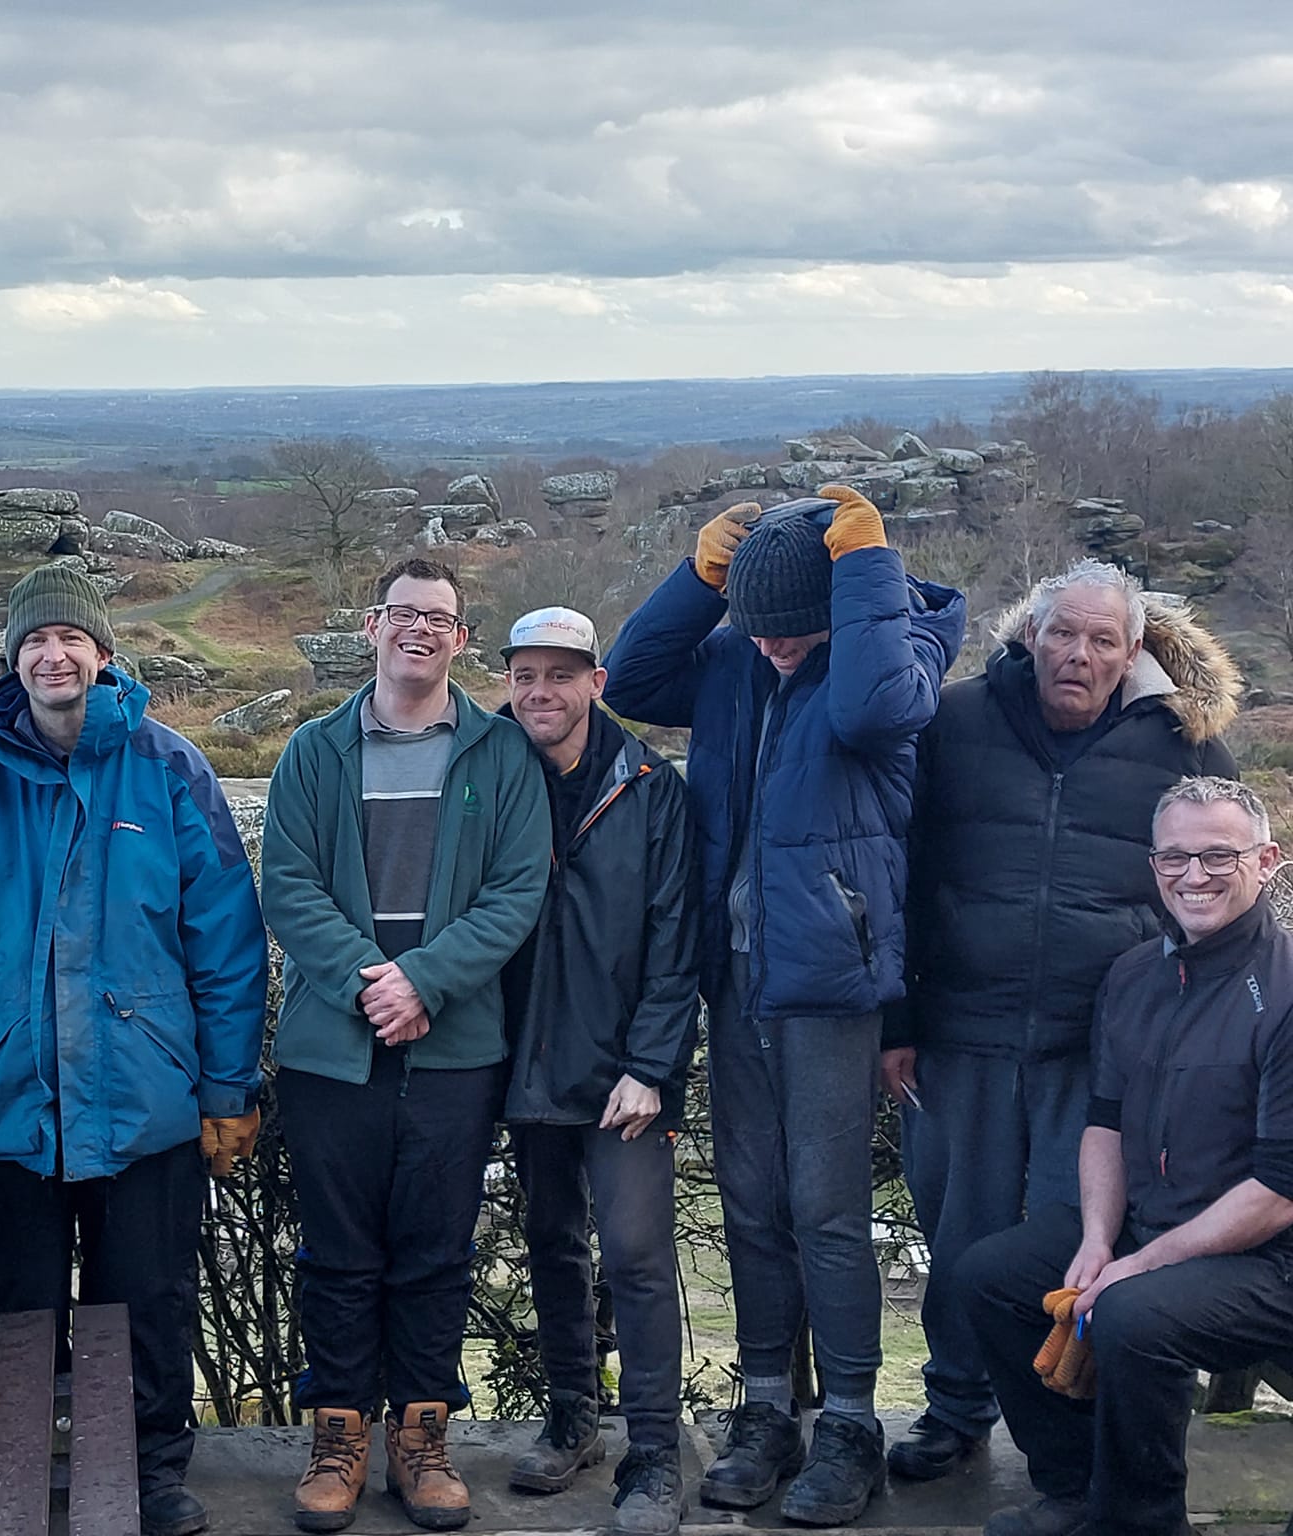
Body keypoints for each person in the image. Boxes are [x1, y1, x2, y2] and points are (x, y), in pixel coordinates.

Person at [602, 490, 965, 1527]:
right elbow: (628, 678)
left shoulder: (891, 659)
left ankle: (849, 1423)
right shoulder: (730, 661)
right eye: (751, 628)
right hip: (736, 978)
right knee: (751, 1204)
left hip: (832, 988)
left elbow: (864, 712)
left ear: (839, 607)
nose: (765, 649)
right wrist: (700, 574)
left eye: (786, 628)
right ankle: (767, 1410)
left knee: (825, 1212)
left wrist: (863, 571)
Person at [0, 562, 268, 1536]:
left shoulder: (168, 768)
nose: (52, 656)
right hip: (6, 1104)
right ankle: (23, 1461)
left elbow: (224, 940)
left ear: (104, 655)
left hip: (144, 1102)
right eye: (33, 642)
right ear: (13, 662)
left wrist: (227, 1086)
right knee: (16, 1311)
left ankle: (152, 1471)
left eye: (70, 640)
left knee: (147, 1300)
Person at [887, 560, 1239, 1481]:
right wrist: (898, 1018)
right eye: (1062, 634)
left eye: (1102, 640)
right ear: (1029, 636)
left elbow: (1222, 894)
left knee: (1065, 1243)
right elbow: (902, 874)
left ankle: (1061, 1442)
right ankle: (953, 1410)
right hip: (958, 1034)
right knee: (958, 1238)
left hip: (1102, 1054)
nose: (1078, 655)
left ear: (1133, 653)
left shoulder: (1184, 742)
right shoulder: (953, 722)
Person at [261, 557, 551, 1534]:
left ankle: (420, 1444)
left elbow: (518, 890)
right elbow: (288, 885)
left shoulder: (499, 756)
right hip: (330, 1045)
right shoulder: (312, 750)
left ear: (461, 640)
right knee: (337, 1252)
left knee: (433, 1252)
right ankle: (336, 1440)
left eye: (439, 618)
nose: (417, 629)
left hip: (453, 1044)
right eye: (401, 614)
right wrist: (368, 982)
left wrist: (423, 980)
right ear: (371, 627)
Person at [948, 776, 1293, 1536]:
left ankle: (1139, 1520)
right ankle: (1077, 1490)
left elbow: (1278, 1190)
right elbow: (1103, 1124)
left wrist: (1137, 1265)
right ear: (1152, 865)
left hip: (1269, 1257)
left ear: (1267, 860)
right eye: (1175, 857)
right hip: (1152, 1226)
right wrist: (1102, 1240)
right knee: (991, 1275)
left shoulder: (1288, 988)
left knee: (1132, 1314)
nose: (1193, 875)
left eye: (1217, 856)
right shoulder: (1134, 975)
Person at [498, 607, 700, 1535]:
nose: (541, 692)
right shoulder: (489, 772)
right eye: (525, 674)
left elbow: (675, 939)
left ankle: (655, 1449)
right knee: (550, 1244)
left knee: (636, 1254)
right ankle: (574, 1414)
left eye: (560, 674)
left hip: (623, 1071)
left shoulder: (652, 788)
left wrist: (653, 1066)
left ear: (596, 682)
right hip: (519, 1057)